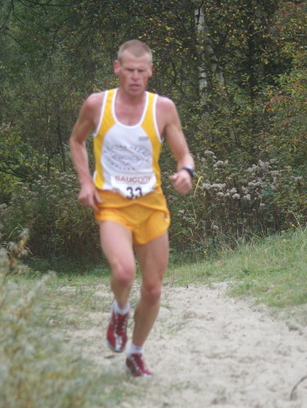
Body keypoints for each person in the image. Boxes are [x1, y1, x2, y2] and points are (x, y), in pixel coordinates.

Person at [69, 39, 195, 377]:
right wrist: (85, 182)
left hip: (151, 206)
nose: (135, 77)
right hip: (111, 204)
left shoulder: (163, 108)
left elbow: (184, 153)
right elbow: (76, 140)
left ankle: (135, 353)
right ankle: (120, 310)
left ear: (150, 71)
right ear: (117, 69)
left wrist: (186, 171)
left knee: (153, 290)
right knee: (124, 272)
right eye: (129, 70)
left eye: (142, 71)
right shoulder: (97, 104)